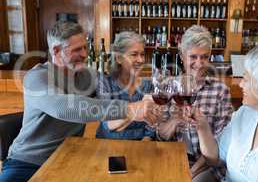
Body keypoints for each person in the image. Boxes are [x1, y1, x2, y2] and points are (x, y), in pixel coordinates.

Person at [0, 21, 159, 182]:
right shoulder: (37, 78)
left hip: (68, 159)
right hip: (27, 162)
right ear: (56, 51)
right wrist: (130, 109)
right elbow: (64, 108)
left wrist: (148, 96)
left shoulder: (87, 76)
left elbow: (114, 92)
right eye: (77, 49)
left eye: (85, 47)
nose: (84, 54)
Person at [190, 40, 258, 181]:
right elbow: (215, 158)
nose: (241, 84)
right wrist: (202, 125)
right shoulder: (245, 112)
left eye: (246, 79)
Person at [157, 25, 233, 181]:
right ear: (182, 56)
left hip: (205, 166)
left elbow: (221, 146)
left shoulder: (220, 91)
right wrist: (175, 120)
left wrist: (189, 173)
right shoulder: (168, 87)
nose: (199, 63)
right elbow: (160, 136)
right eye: (193, 57)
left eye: (204, 57)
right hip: (171, 160)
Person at [96, 31, 155, 140]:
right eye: (134, 54)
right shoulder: (105, 83)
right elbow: (108, 124)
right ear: (119, 58)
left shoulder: (148, 85)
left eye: (142, 54)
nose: (141, 60)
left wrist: (144, 145)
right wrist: (140, 106)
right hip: (108, 145)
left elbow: (150, 128)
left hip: (140, 147)